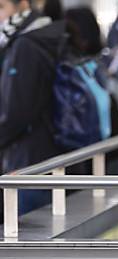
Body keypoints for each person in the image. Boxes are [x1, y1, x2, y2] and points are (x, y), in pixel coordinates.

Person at [0, 0, 64, 214]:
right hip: (49, 152)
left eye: (1, 7)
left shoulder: (26, 44)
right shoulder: (46, 34)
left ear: (22, 5)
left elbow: (16, 113)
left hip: (28, 159)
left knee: (27, 236)